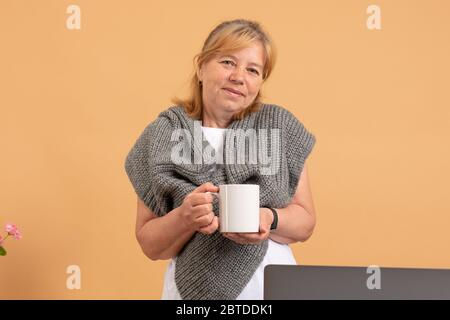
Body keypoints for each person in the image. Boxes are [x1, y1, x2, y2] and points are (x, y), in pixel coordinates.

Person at [124, 19, 317, 300]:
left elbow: (305, 222)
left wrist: (268, 217)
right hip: (189, 295)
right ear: (201, 66)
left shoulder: (278, 130)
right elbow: (150, 244)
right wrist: (184, 218)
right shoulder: (163, 135)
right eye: (228, 62)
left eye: (253, 70)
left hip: (269, 289)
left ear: (260, 81)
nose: (239, 77)